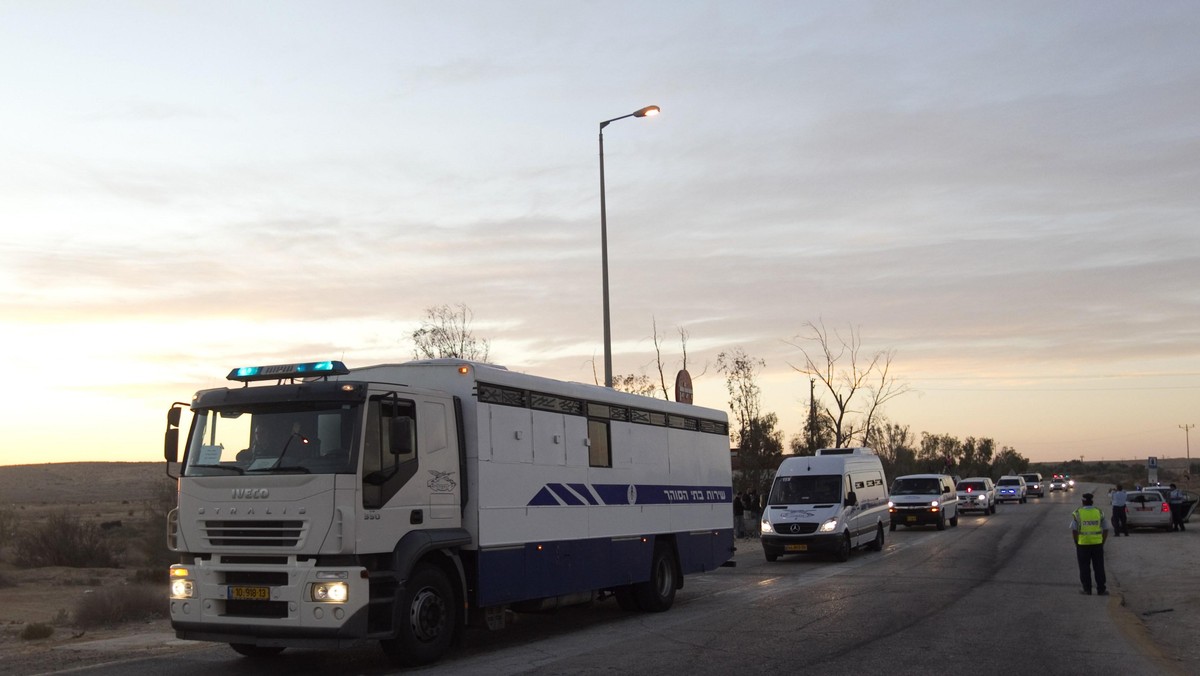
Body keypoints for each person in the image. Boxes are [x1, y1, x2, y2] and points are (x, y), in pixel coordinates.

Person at [1070, 492, 1110, 595]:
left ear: (1083, 501)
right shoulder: (1099, 512)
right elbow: (1105, 529)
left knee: (1084, 567)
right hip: (1097, 544)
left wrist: (1076, 542)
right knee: (1099, 567)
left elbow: (1074, 530)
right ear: (1092, 502)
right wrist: (1102, 541)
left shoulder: (1078, 513)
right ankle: (1101, 589)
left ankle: (1087, 589)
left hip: (1083, 544)